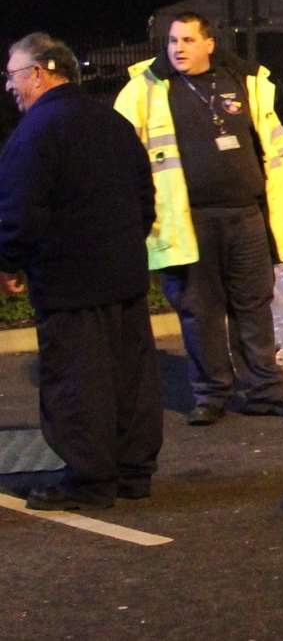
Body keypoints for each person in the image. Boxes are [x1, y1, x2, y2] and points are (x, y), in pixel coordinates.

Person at [113, 12, 283, 425]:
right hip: (189, 221)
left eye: (187, 40)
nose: (178, 49)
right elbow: (120, 154)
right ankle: (210, 394)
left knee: (254, 308)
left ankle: (265, 391)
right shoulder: (148, 89)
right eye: (172, 41)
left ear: (209, 44)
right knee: (199, 312)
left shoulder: (243, 81)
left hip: (247, 215)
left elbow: (271, 146)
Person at [0, 33, 162, 509]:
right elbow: (144, 197)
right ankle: (133, 472)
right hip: (125, 275)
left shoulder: (34, 134)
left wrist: (7, 261)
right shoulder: (111, 122)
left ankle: (90, 481)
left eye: (12, 75)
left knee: (77, 382)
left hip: (68, 282)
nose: (9, 86)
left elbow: (19, 210)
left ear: (40, 72)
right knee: (129, 377)